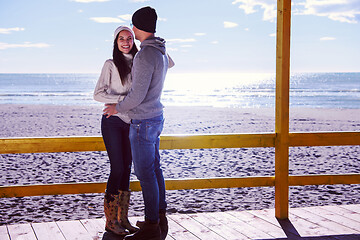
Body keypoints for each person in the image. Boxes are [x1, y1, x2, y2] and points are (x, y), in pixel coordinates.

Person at [103, 6, 174, 240]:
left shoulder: (145, 55)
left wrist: (117, 107)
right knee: (155, 170)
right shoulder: (160, 51)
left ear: (135, 28)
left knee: (146, 175)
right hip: (156, 118)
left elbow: (137, 96)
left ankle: (152, 225)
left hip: (143, 121)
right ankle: (158, 217)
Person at [93, 25, 139, 236]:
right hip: (112, 120)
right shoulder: (110, 64)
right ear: (116, 41)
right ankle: (111, 221)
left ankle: (123, 219)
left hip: (131, 122)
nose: (126, 42)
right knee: (118, 168)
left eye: (129, 38)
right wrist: (121, 101)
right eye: (122, 38)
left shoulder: (140, 62)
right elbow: (98, 94)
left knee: (127, 168)